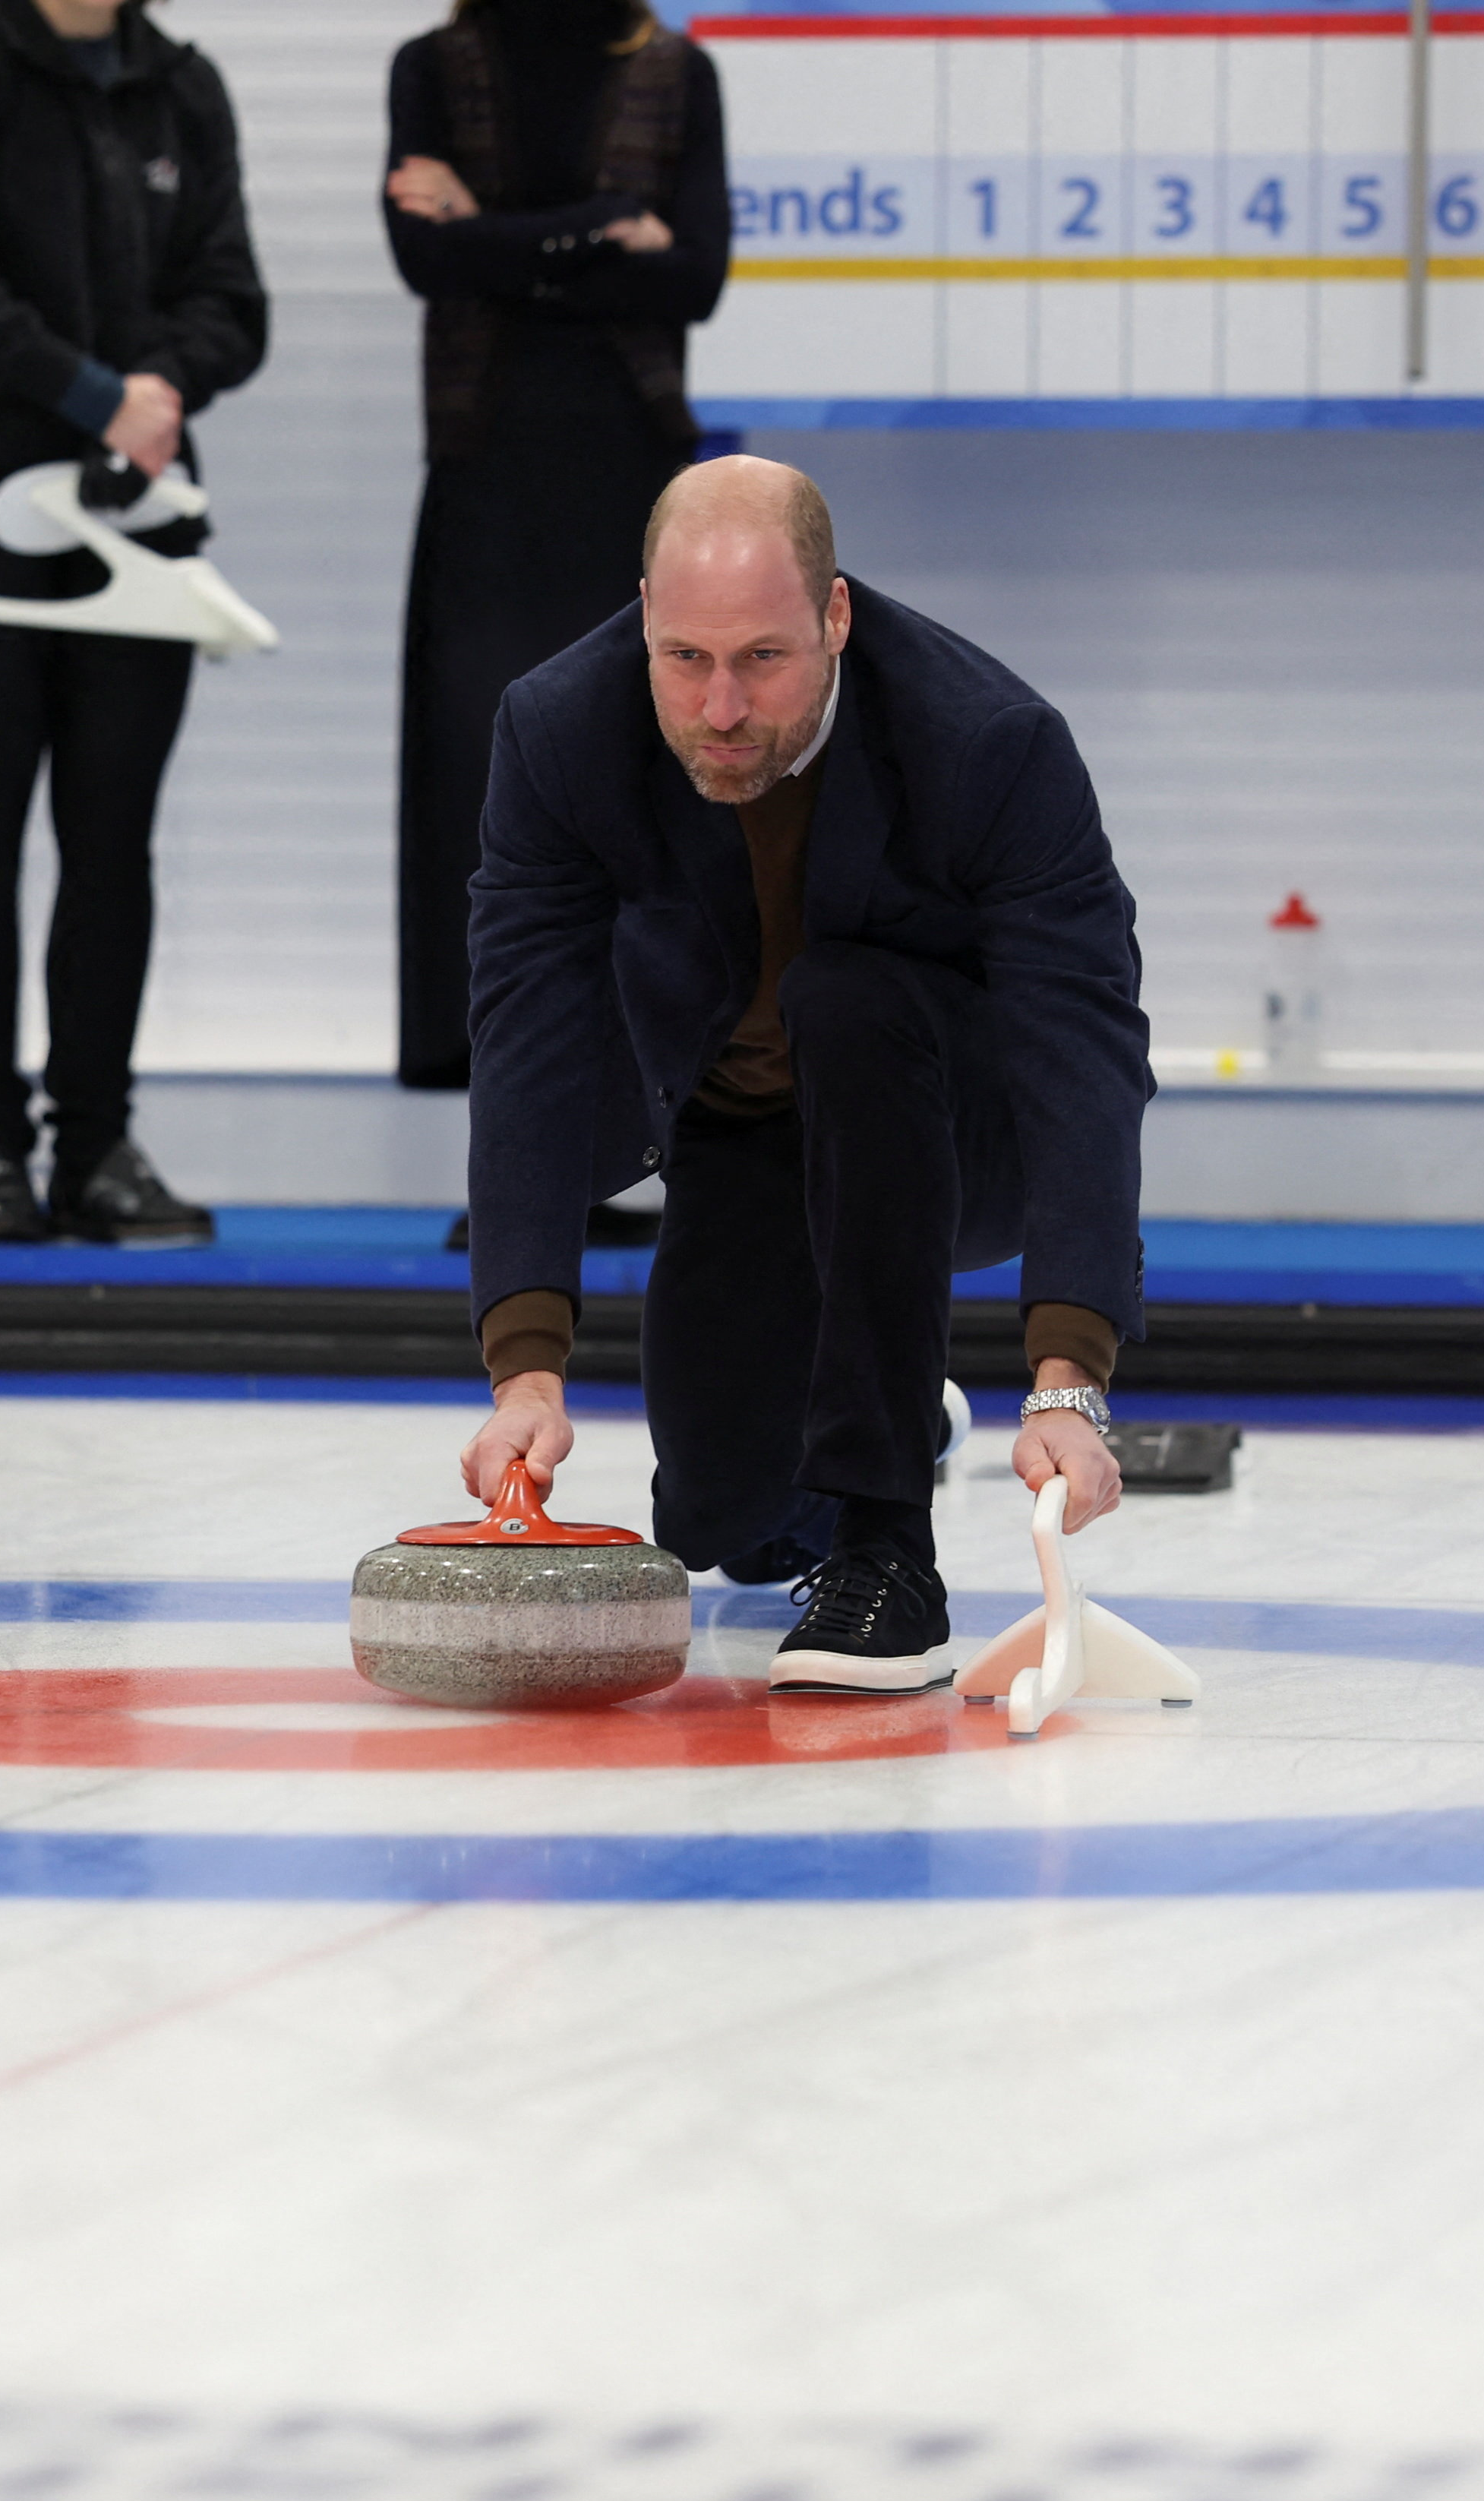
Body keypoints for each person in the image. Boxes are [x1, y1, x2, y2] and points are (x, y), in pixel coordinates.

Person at [453, 457, 1146, 1695]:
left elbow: (1081, 1049)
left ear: (835, 616)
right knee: (723, 1518)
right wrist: (527, 1366)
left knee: (850, 996)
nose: (720, 707)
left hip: (939, 1124)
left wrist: (1070, 1376)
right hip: (737, 1121)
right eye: (685, 659)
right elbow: (529, 1032)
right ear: (646, 619)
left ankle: (893, 1546)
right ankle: (890, 1426)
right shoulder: (560, 729)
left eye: (763, 659)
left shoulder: (990, 743)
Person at [0, 0, 265, 1246]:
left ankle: (99, 1146)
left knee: (113, 840)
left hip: (138, 523)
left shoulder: (183, 86)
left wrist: (157, 392)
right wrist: (92, 393)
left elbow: (233, 299)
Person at [382, 0, 725, 1093]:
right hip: (487, 479)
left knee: (635, 799)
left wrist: (500, 239)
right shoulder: (431, 68)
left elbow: (696, 278)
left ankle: (625, 1131)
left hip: (630, 480)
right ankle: (510, 1147)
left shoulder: (679, 72)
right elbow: (424, 260)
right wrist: (608, 226)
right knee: (476, 802)